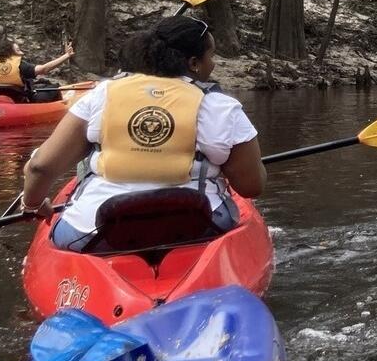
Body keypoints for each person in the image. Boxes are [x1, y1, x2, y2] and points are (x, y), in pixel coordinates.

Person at [20, 16, 265, 251]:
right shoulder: (221, 107)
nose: (213, 64)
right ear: (193, 63)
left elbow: (40, 167)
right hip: (199, 229)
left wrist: (33, 204)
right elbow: (251, 186)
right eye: (211, 56)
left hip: (93, 235)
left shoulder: (101, 94)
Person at [0, 31, 76, 103]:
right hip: (19, 100)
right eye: (18, 50)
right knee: (53, 88)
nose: (22, 53)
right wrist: (67, 56)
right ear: (10, 53)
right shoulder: (20, 65)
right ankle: (61, 105)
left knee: (41, 84)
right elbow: (44, 69)